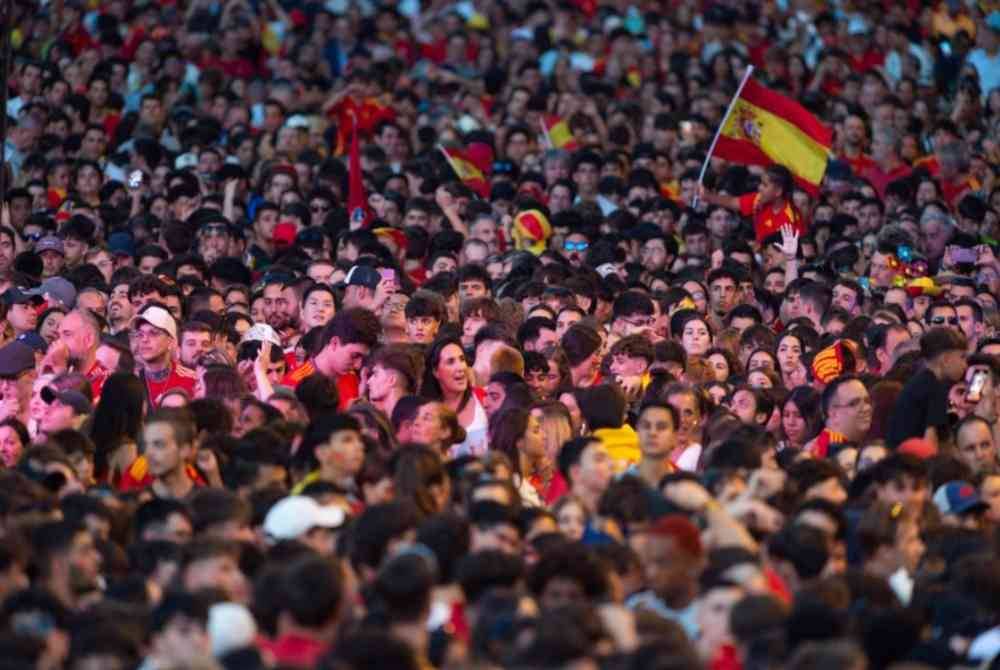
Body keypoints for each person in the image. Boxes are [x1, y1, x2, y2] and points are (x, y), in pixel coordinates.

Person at [886, 327, 968, 450]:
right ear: (945, 359)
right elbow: (931, 439)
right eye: (962, 357)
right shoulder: (934, 388)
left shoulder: (919, 383)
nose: (965, 364)